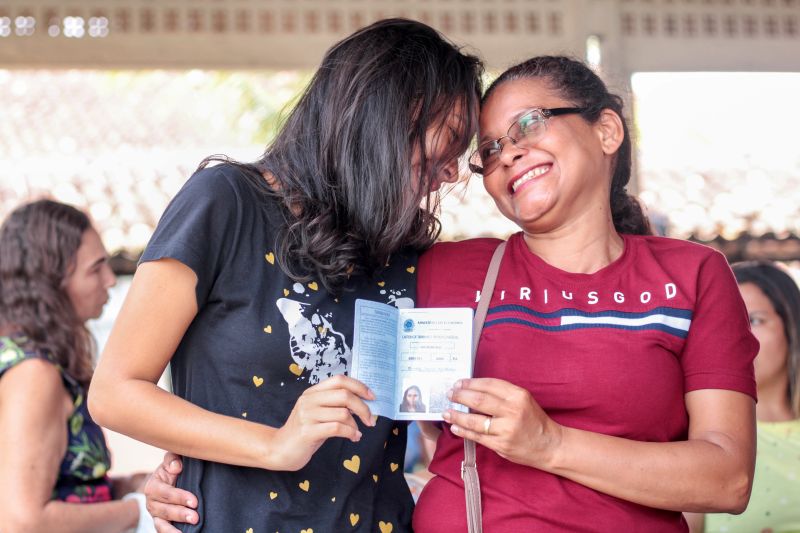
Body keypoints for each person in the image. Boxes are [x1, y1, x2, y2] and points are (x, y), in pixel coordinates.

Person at [142, 55, 759, 532]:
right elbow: (304, 375)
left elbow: (727, 479)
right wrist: (191, 470)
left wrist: (550, 445)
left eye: (529, 123)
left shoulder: (693, 275)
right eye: (487, 151)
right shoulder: (437, 270)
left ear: (606, 130)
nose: (508, 151)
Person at [88, 19, 482, 533]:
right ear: (383, 119)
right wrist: (274, 445)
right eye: (447, 140)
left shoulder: (404, 250)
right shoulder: (226, 203)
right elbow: (115, 392)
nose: (452, 170)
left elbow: (421, 438)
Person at [0, 200, 154, 533]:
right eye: (96, 268)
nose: (111, 280)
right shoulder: (33, 374)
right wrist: (136, 511)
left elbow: (62, 488)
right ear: (52, 280)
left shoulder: (37, 361)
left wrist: (126, 485)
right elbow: (22, 522)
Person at [686, 261, 800, 532]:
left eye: (755, 320)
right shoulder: (694, 439)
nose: (738, 335)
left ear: (792, 326)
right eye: (723, 321)